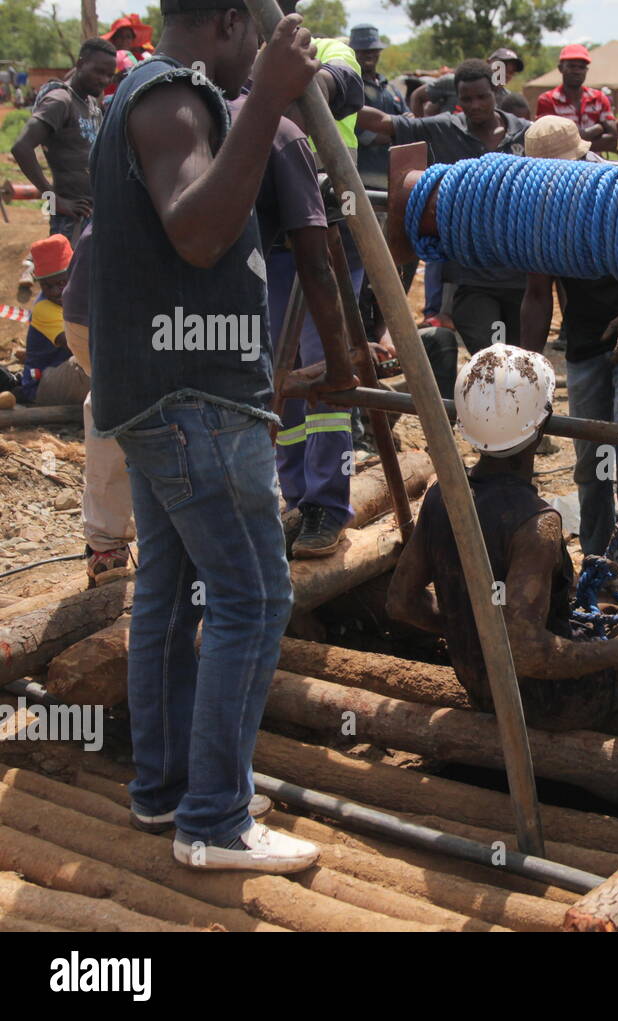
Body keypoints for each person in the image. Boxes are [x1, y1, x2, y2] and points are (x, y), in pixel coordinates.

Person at [89, 0, 321, 873]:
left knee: (172, 590)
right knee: (254, 596)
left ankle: (166, 789)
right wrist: (265, 98)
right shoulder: (176, 98)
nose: (260, 52)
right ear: (228, 22)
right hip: (193, 399)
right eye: (255, 39)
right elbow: (197, 232)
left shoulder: (148, 93)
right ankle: (216, 821)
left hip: (160, 394)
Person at [387, 344, 618, 730]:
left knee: (613, 617)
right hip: (548, 701)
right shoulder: (537, 525)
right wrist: (615, 654)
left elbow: (401, 601)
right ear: (541, 426)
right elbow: (528, 652)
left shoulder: (442, 495)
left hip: (481, 684)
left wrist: (467, 629)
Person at [518, 117, 618, 600]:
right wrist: (527, 368)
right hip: (587, 339)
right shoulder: (540, 211)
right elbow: (536, 293)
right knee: (590, 453)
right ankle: (597, 554)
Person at [228, 88, 360, 559]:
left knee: (324, 377)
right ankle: (297, 498)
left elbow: (349, 81)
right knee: (279, 383)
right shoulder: (234, 114)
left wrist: (313, 82)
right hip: (273, 259)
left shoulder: (318, 73)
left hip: (325, 249)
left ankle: (328, 504)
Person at [358, 59, 531, 353]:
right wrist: (328, 94)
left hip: (522, 276)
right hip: (471, 279)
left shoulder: (526, 134)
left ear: (496, 93)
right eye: (466, 99)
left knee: (525, 361)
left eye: (482, 97)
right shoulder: (444, 129)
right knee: (494, 358)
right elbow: (383, 124)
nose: (475, 105)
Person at [59, 227, 136, 586]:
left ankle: (108, 544)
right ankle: (110, 544)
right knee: (117, 411)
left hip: (92, 309)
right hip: (108, 311)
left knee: (111, 409)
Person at [10, 39, 116, 247]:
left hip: (93, 213)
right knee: (69, 278)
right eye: (98, 71)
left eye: (109, 75)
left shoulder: (91, 104)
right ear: (80, 64)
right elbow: (21, 147)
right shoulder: (60, 101)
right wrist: (53, 199)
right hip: (71, 218)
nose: (104, 80)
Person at [18, 234, 88, 408]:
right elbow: (78, 344)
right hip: (44, 383)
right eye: (47, 286)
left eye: (62, 283)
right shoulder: (43, 309)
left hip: (65, 371)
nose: (56, 291)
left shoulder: (82, 295)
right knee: (97, 362)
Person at [350, 23, 406, 191]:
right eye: (363, 51)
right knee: (356, 216)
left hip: (394, 179)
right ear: (354, 53)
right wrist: (397, 132)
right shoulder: (350, 88)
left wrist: (401, 130)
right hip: (363, 181)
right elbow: (364, 135)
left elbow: (410, 123)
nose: (369, 55)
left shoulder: (389, 88)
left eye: (373, 50)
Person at [535, 43, 618, 152]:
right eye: (571, 66)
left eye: (581, 67)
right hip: (562, 168)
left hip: (594, 167)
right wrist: (595, 130)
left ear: (586, 70)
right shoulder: (548, 100)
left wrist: (571, 144)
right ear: (560, 68)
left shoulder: (599, 99)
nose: (577, 71)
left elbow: (612, 142)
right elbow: (549, 143)